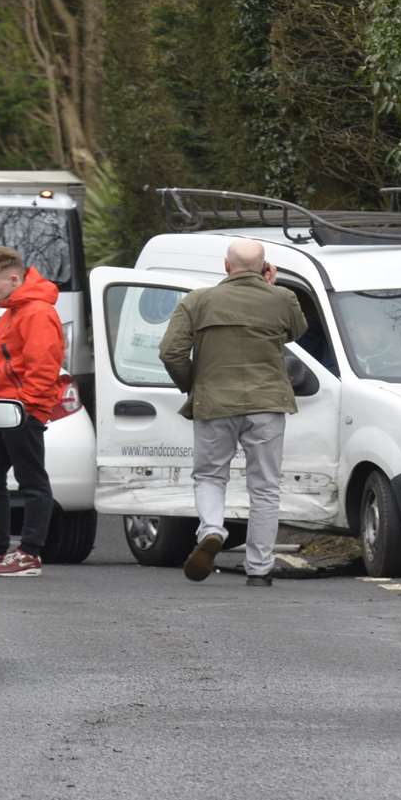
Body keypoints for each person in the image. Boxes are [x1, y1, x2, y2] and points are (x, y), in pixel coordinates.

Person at [158, 238, 310, 586]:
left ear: (226, 267)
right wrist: (270, 287)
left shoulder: (198, 301)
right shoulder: (281, 299)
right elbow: (298, 331)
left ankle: (212, 530)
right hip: (267, 405)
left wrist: (193, 383)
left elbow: (170, 352)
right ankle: (259, 569)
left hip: (214, 403)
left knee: (211, 476)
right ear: (264, 267)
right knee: (265, 487)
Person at [0, 245, 64, 577]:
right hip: (3, 406)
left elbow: (43, 366)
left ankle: (29, 553)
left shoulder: (36, 312)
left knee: (30, 480)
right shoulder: (16, 309)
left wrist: (31, 407)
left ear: (13, 279)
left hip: (20, 409)